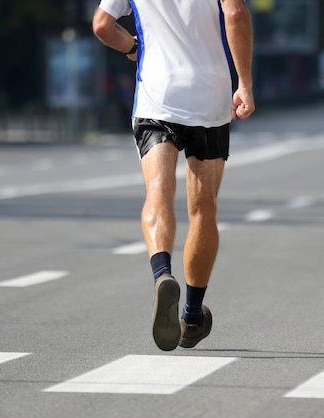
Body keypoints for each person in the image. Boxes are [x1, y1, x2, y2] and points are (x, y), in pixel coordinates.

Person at [93, 0, 255, 351]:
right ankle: (193, 315)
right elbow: (236, 13)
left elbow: (102, 25)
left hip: (157, 96)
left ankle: (162, 274)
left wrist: (133, 47)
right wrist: (244, 82)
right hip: (209, 99)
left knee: (158, 192)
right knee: (203, 209)